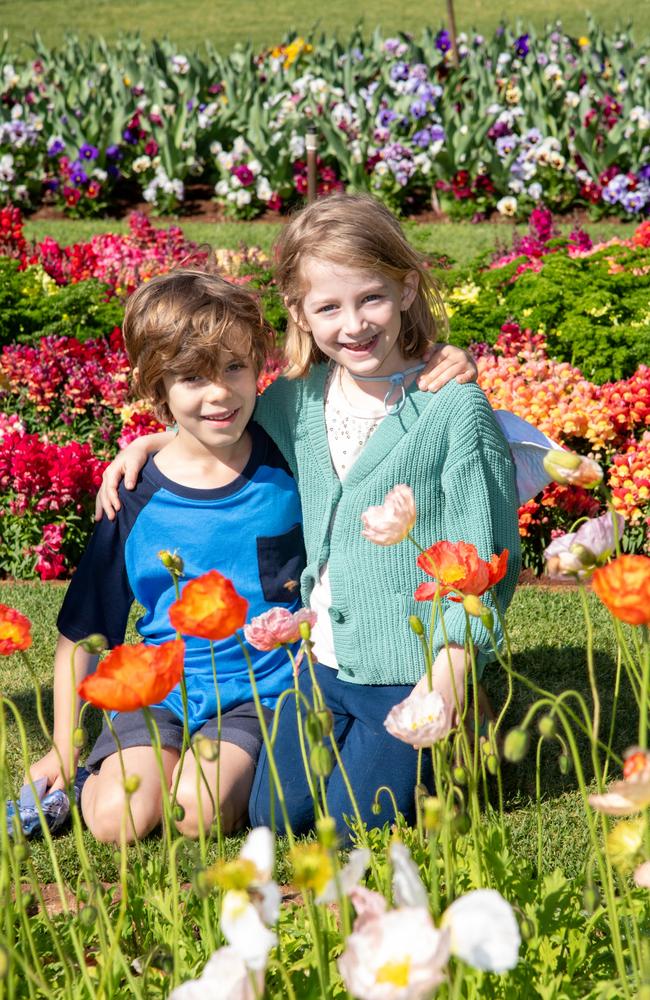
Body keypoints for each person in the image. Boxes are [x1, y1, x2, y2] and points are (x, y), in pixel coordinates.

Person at [97, 194, 520, 839]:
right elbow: (217, 426)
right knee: (278, 816)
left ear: (407, 289)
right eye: (329, 308)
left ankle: (466, 724)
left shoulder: (453, 411)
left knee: (354, 823)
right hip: (320, 660)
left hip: (409, 660)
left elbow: (487, 566)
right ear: (300, 313)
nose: (353, 325)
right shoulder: (296, 402)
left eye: (371, 298)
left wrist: (447, 677)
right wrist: (149, 443)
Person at [28, 270, 305, 843]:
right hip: (161, 690)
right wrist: (62, 743)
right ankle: (91, 781)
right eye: (191, 378)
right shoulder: (133, 496)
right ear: (157, 389)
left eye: (234, 367)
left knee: (196, 814)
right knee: (116, 823)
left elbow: (358, 376)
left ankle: (204, 772)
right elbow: (82, 632)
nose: (220, 393)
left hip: (262, 694)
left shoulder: (290, 461)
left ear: (258, 366)